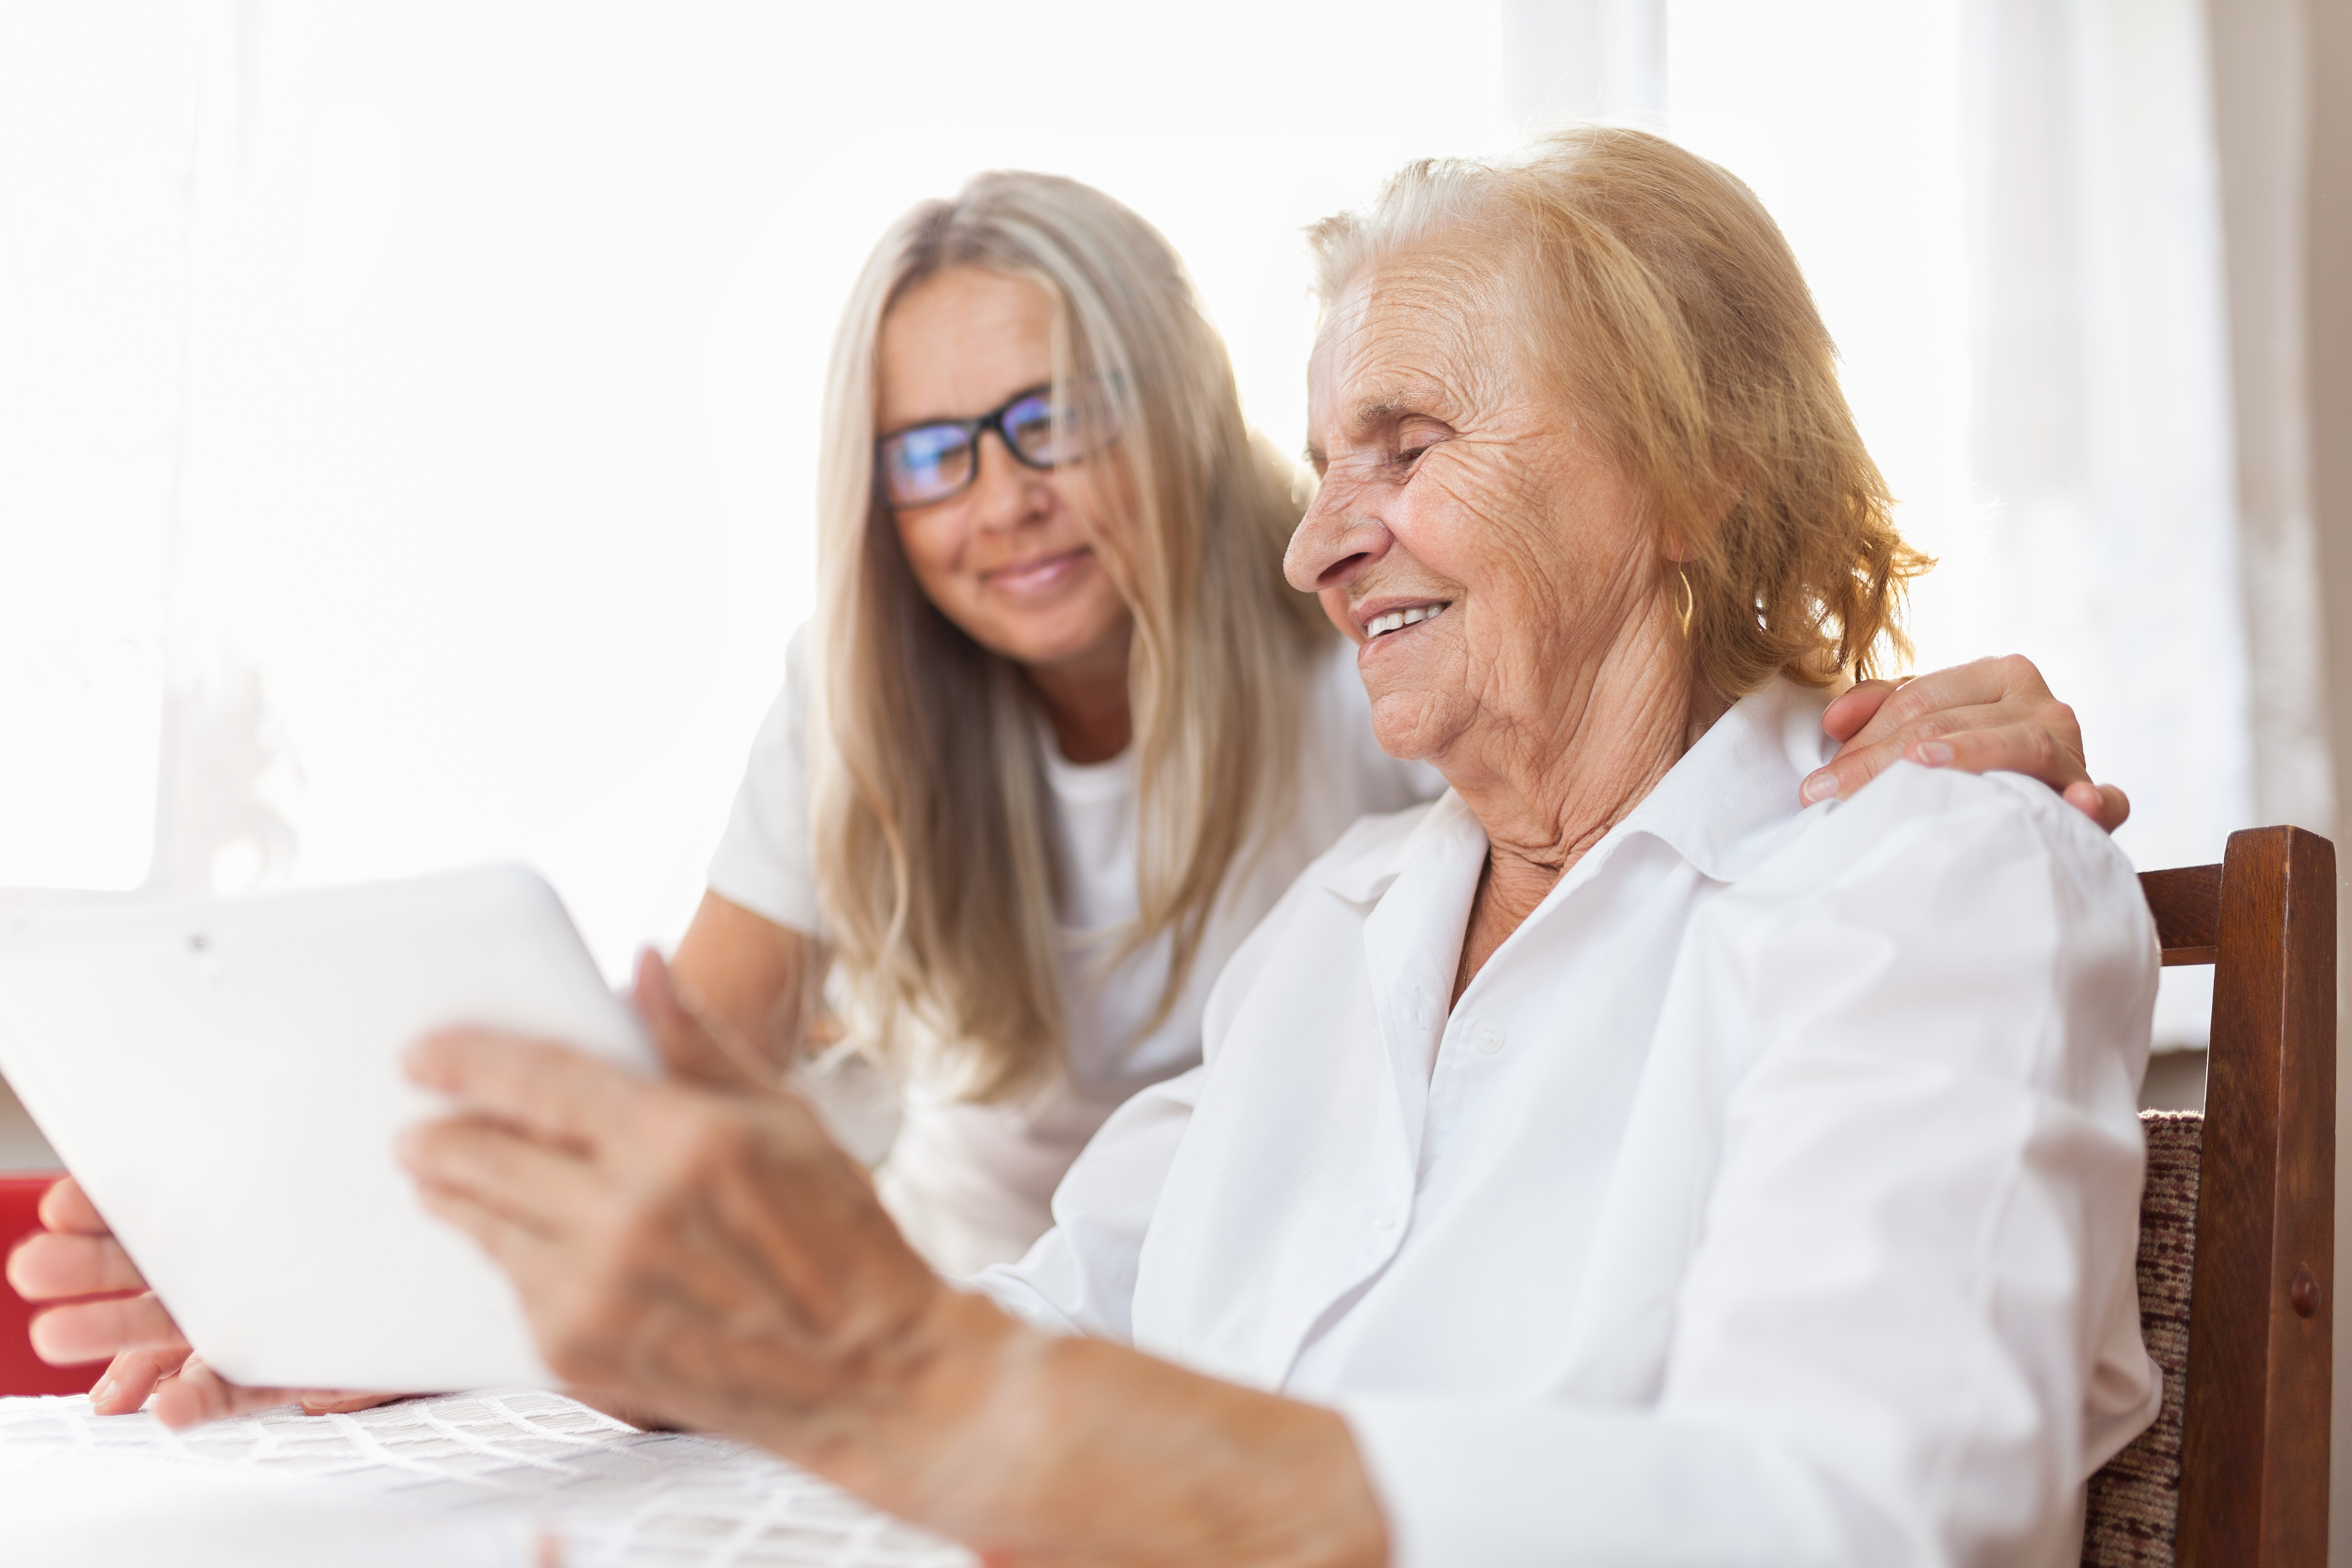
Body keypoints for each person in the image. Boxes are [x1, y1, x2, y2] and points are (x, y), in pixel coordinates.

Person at [69, 126, 2159, 1562]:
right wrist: (408, 1288)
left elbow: (1871, 1529)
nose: (1317, 536)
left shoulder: (1931, 877)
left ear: (1696, 466)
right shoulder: (1343, 933)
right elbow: (1045, 1315)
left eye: (1406, 451)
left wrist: (950, 1396)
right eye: (1328, 460)